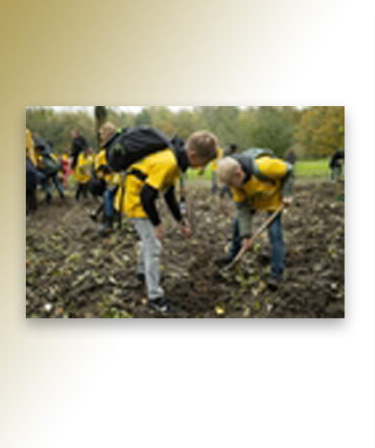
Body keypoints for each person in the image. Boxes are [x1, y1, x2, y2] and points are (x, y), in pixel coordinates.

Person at [121, 130, 218, 313]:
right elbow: (147, 196)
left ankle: (143, 273)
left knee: (147, 241)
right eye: (202, 164)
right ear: (193, 155)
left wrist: (180, 220)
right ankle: (155, 298)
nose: (200, 168)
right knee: (153, 246)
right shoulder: (169, 162)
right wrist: (157, 224)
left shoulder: (174, 159)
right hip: (136, 203)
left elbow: (168, 194)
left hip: (138, 201)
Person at [214, 151, 294, 289]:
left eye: (231, 184)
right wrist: (246, 236)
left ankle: (276, 273)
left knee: (275, 233)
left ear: (239, 174)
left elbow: (289, 170)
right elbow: (243, 211)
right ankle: (232, 256)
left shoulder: (265, 167)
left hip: (274, 201)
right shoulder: (237, 185)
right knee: (237, 223)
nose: (231, 188)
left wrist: (287, 193)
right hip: (254, 200)